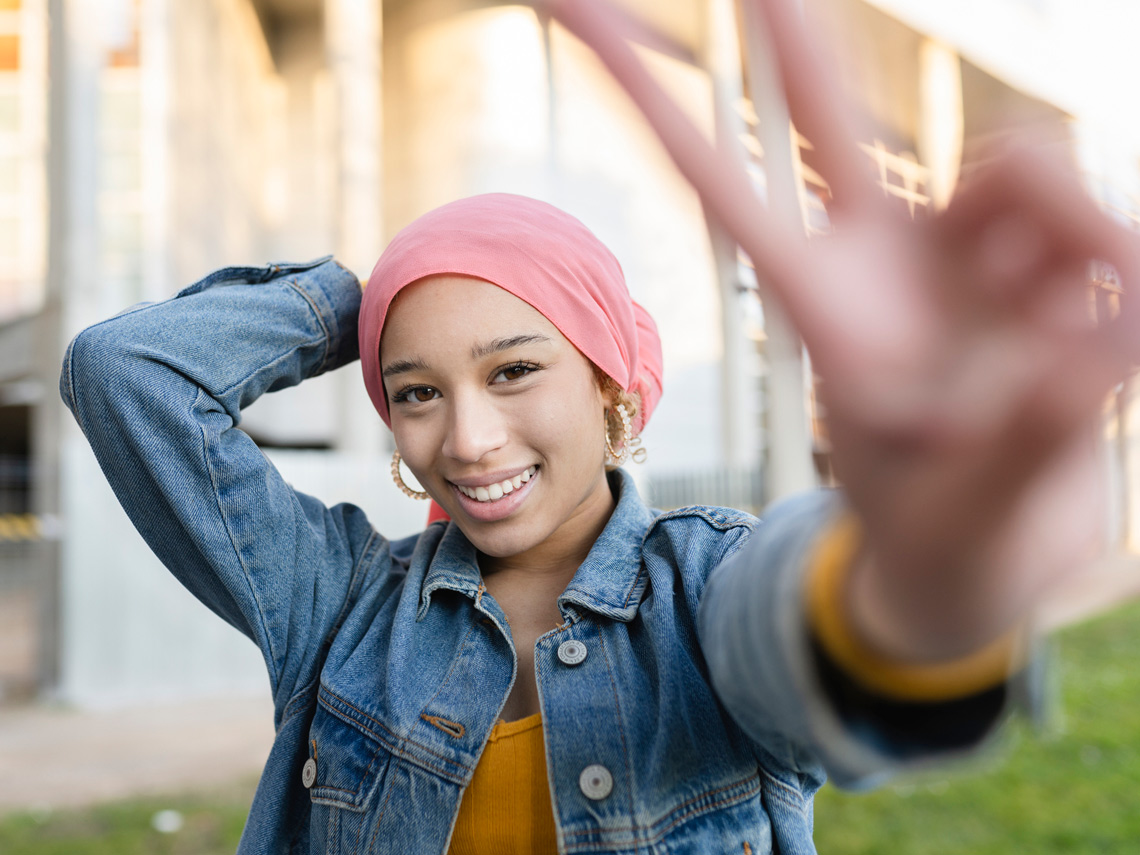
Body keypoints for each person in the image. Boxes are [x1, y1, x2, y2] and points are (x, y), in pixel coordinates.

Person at [60, 1, 1140, 853]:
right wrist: (363, 289)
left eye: (515, 369)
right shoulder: (337, 604)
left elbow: (840, 647)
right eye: (417, 391)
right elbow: (125, 372)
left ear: (613, 387)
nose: (469, 439)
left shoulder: (711, 586)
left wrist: (933, 568)